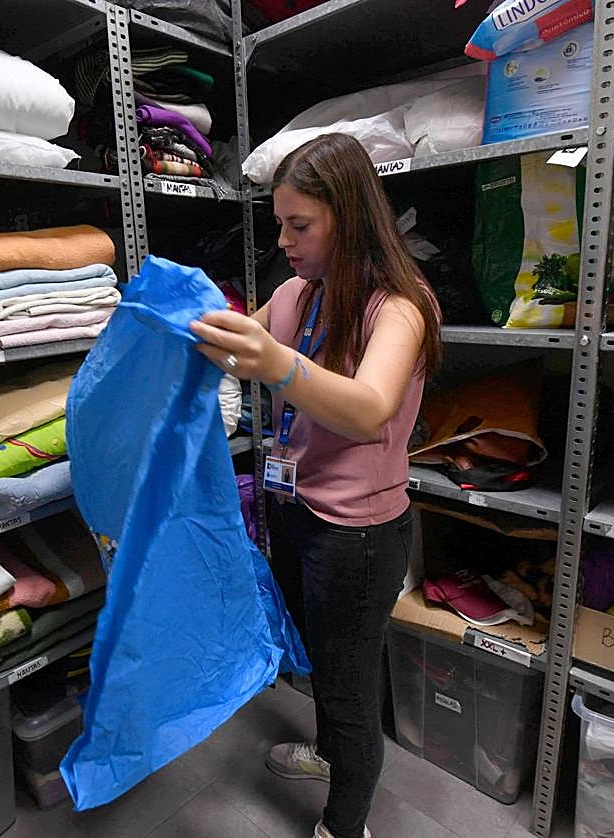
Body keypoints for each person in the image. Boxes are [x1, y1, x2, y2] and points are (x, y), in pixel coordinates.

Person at [190, 133, 441, 838]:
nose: (284, 240)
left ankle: (343, 824)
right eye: (280, 223)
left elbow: (368, 407)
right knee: (318, 666)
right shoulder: (298, 293)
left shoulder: (399, 306)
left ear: (348, 218)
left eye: (299, 225)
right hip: (295, 515)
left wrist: (273, 361)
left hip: (356, 539)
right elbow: (242, 346)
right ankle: (331, 755)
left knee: (349, 690)